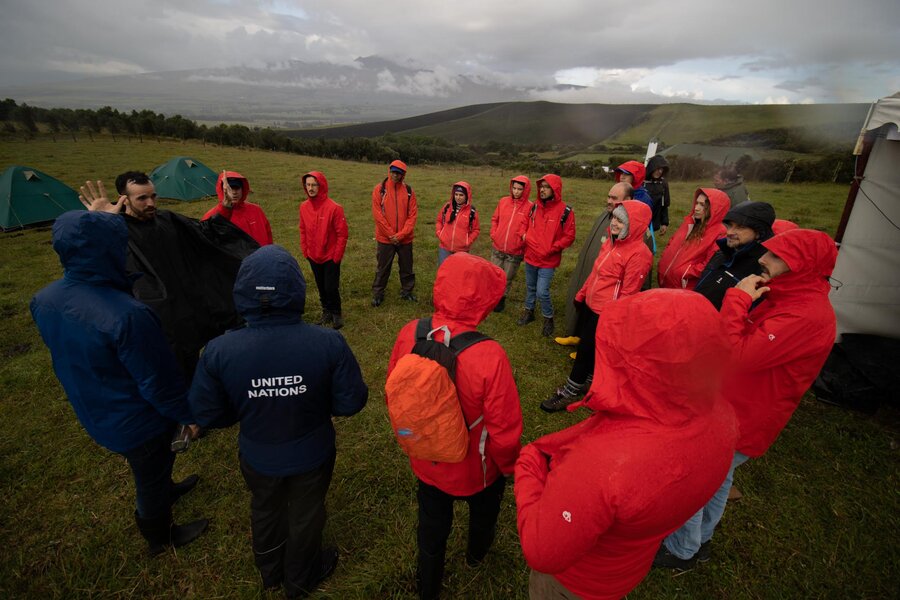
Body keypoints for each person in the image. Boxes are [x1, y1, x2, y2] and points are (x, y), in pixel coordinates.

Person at [516, 290, 738, 600]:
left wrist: (528, 465)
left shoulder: (604, 466)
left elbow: (541, 552)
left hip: (575, 583)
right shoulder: (723, 417)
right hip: (627, 568)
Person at [189, 244, 368, 597]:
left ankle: (270, 570)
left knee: (265, 506)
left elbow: (207, 412)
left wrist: (247, 409)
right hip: (311, 450)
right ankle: (301, 579)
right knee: (306, 514)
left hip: (258, 451)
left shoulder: (220, 350)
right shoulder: (328, 342)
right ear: (296, 288)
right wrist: (313, 403)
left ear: (242, 291)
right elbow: (351, 402)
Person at [655, 229, 838, 569]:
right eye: (769, 252)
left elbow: (732, 357)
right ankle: (701, 539)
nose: (764, 259)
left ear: (806, 268)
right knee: (718, 477)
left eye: (778, 257)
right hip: (737, 406)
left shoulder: (803, 316)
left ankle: (682, 549)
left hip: (743, 417)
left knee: (695, 477)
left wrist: (737, 301)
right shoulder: (787, 297)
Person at [30, 211, 207, 556]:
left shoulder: (45, 299)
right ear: (107, 250)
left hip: (93, 405)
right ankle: (160, 533)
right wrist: (187, 415)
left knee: (155, 471)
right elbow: (159, 381)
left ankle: (167, 489)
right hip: (137, 420)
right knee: (149, 475)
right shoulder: (128, 315)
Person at [387, 253, 523, 600]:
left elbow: (394, 388)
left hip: (427, 456)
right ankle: (476, 553)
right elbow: (505, 428)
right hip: (475, 469)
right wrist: (507, 467)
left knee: (431, 524)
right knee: (483, 512)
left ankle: (428, 583)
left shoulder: (409, 333)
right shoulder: (489, 355)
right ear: (484, 300)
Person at [78, 173, 259, 382]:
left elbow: (205, 233)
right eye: (142, 199)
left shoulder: (167, 219)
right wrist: (101, 224)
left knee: (197, 360)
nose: (150, 203)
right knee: (171, 371)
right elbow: (92, 262)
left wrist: (225, 208)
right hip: (156, 317)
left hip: (189, 307)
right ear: (124, 199)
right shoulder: (116, 230)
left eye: (153, 196)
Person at [542, 201, 652, 412]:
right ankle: (590, 381)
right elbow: (596, 272)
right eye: (614, 218)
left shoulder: (639, 254)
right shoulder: (612, 242)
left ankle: (569, 391)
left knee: (585, 350)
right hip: (592, 305)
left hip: (606, 312)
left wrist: (613, 316)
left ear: (634, 225)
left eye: (621, 220)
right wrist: (582, 294)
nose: (614, 223)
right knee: (590, 348)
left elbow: (629, 293)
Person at [555, 182, 632, 347]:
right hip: (591, 275)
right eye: (608, 196)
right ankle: (577, 335)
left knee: (596, 316)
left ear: (628, 200)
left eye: (614, 198)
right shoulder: (605, 215)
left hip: (607, 285)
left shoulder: (628, 225)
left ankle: (587, 347)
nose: (609, 201)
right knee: (584, 307)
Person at [519, 174, 576, 337]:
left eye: (546, 187)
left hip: (548, 260)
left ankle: (548, 318)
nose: (542, 190)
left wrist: (552, 248)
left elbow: (569, 236)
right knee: (530, 287)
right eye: (541, 187)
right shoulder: (534, 207)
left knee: (542, 291)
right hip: (530, 256)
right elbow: (524, 224)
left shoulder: (565, 211)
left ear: (555, 189)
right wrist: (524, 235)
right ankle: (529, 312)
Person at [693, 200, 776, 310]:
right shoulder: (722, 253)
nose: (729, 232)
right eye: (730, 225)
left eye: (740, 227)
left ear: (759, 233)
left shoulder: (761, 270)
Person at [298, 171, 349, 329]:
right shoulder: (303, 207)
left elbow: (342, 234)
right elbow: (302, 229)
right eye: (308, 185)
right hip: (313, 255)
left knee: (330, 286)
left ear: (321, 186)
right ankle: (326, 311)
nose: (311, 188)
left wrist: (336, 256)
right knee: (320, 286)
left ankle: (336, 313)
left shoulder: (334, 208)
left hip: (330, 256)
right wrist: (305, 250)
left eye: (314, 185)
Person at [657, 188, 730, 289]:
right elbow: (672, 242)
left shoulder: (720, 233)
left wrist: (684, 272)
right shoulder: (690, 222)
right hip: (666, 280)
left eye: (702, 205)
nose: (696, 208)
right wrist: (663, 261)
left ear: (715, 209)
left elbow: (710, 264)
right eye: (697, 203)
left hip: (683, 287)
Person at [372, 160, 418, 306]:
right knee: (383, 267)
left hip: (405, 238)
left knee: (407, 266)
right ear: (389, 171)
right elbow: (378, 215)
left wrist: (400, 235)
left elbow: (412, 216)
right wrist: (391, 234)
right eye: (393, 172)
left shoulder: (409, 191)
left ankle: (407, 291)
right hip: (385, 238)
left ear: (403, 175)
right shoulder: (379, 190)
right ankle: (378, 294)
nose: (395, 175)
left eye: (399, 173)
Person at [489, 175, 532, 313]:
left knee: (507, 278)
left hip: (515, 251)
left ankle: (501, 299)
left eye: (520, 189)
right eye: (514, 188)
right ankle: (491, 299)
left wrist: (522, 242)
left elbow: (530, 229)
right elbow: (495, 219)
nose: (516, 191)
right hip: (498, 246)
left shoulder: (531, 207)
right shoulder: (503, 201)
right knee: (494, 275)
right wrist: (494, 234)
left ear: (525, 190)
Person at [203, 170, 273, 246]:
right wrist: (225, 207)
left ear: (243, 189)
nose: (234, 192)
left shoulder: (256, 210)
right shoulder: (211, 216)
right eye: (230, 189)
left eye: (236, 188)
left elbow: (268, 237)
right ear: (222, 190)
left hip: (261, 255)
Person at [435, 181, 480, 266]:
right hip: (445, 247)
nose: (458, 197)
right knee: (444, 271)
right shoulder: (447, 207)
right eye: (456, 194)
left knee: (458, 274)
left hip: (461, 250)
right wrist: (440, 234)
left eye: (461, 195)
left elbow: (476, 230)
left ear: (467, 196)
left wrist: (467, 241)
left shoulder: (472, 212)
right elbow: (439, 221)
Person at [644, 155, 671, 237]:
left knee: (649, 246)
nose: (659, 171)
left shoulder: (663, 184)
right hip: (639, 221)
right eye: (657, 168)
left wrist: (664, 223)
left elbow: (664, 205)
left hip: (653, 223)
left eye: (661, 169)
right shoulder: (641, 182)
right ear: (652, 167)